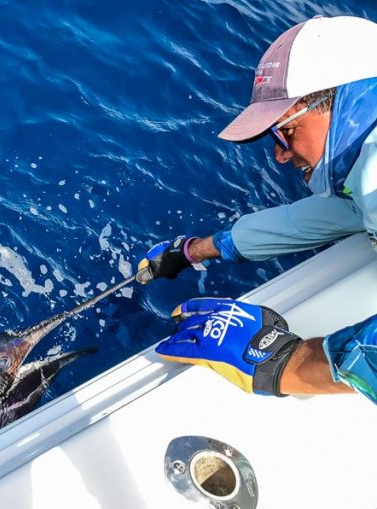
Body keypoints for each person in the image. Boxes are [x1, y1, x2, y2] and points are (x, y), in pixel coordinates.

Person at [138, 15, 377, 404]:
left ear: (348, 101)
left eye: (284, 132)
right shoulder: (363, 173)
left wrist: (282, 361)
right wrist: (192, 250)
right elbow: (319, 218)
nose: (280, 155)